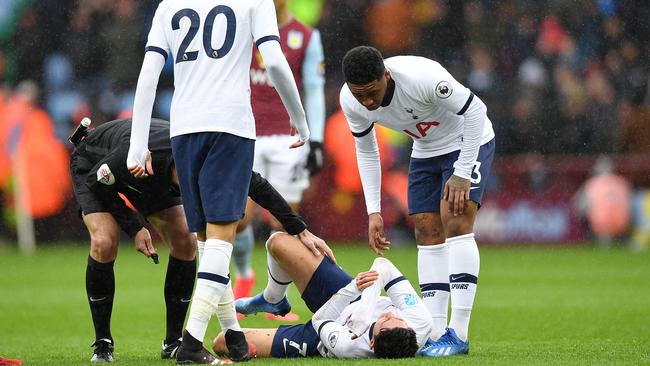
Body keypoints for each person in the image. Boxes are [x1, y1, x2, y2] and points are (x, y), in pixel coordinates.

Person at [126, 0, 311, 363]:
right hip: (229, 126)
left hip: (183, 128)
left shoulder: (170, 5)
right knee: (221, 237)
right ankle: (191, 343)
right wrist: (299, 118)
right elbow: (273, 61)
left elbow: (148, 73)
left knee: (208, 241)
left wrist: (138, 143)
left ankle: (234, 336)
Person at [71, 118, 326, 363]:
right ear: (183, 167)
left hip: (151, 180)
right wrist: (135, 227)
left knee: (186, 239)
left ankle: (172, 343)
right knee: (105, 241)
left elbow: (255, 184)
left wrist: (298, 228)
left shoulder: (210, 159)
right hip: (96, 166)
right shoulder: (141, 155)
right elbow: (98, 183)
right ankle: (103, 342)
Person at [339, 46, 496, 356]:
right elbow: (368, 150)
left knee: (456, 219)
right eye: (361, 96)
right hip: (425, 149)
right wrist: (374, 211)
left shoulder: (422, 78)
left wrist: (463, 172)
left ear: (386, 75)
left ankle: (459, 333)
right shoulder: (350, 101)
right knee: (425, 230)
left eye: (373, 92)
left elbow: (476, 110)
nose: (368, 102)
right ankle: (436, 331)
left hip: (468, 141)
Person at [232, 0, 326, 317]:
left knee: (285, 221)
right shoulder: (243, 29)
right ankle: (245, 275)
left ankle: (276, 298)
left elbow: (313, 89)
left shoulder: (305, 36)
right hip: (247, 132)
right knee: (238, 218)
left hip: (289, 138)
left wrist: (316, 140)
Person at [216, 232, 432, 359]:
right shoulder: (419, 323)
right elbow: (383, 265)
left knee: (224, 343)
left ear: (372, 343)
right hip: (355, 299)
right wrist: (364, 309)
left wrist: (352, 289)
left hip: (321, 334)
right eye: (395, 317)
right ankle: (274, 299)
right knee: (278, 241)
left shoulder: (348, 346)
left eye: (383, 323)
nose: (387, 316)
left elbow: (321, 319)